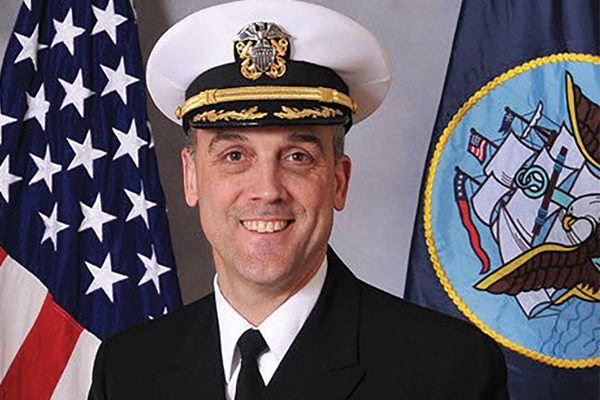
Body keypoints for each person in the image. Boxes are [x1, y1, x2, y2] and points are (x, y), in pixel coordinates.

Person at [89, 1, 510, 399]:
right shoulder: (128, 370)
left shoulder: (447, 372)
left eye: (297, 157)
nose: (268, 190)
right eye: (235, 156)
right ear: (192, 177)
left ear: (339, 181)